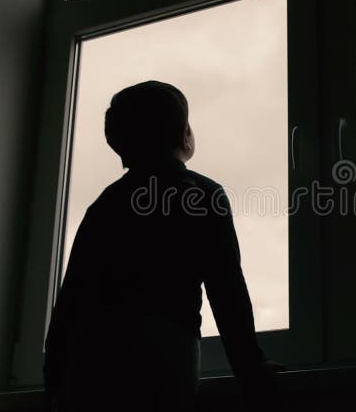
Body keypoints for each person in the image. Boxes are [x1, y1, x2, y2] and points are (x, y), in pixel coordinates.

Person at [43, 80, 283, 411]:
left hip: (88, 356)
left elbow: (69, 300)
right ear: (185, 135)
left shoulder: (104, 205)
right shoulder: (202, 193)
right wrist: (251, 368)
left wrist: (53, 381)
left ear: (118, 144)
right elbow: (227, 289)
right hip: (164, 351)